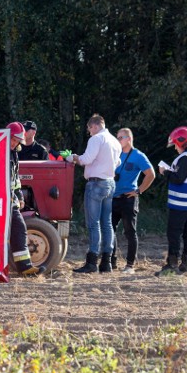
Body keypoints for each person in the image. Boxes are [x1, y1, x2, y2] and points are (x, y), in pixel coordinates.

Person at [67, 114, 122, 274]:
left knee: (93, 224)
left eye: (89, 128)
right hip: (110, 182)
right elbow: (117, 162)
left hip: (96, 183)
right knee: (107, 223)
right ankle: (107, 262)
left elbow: (87, 159)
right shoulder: (114, 141)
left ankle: (92, 261)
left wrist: (72, 158)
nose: (89, 132)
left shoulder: (97, 139)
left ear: (95, 126)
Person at [156, 126, 187, 276]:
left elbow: (178, 178)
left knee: (174, 233)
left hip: (180, 203)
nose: (175, 148)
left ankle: (172, 265)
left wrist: (165, 171)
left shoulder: (185, 158)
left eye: (175, 145)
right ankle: (186, 263)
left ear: (181, 142)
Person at [110, 128, 155, 273]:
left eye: (120, 138)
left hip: (128, 199)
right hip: (113, 198)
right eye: (117, 138)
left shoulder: (138, 155)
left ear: (128, 139)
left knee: (129, 231)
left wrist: (139, 190)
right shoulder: (115, 153)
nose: (118, 141)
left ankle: (130, 265)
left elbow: (151, 174)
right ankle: (112, 262)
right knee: (109, 230)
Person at [6, 122, 42, 276]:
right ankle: (24, 266)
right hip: (0, 200)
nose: (14, 143)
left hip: (10, 199)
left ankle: (25, 266)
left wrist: (19, 197)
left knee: (19, 228)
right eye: (12, 139)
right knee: (18, 228)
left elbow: (15, 181)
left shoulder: (13, 154)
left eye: (17, 141)